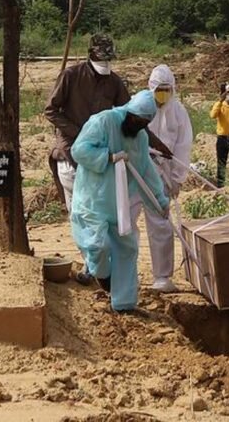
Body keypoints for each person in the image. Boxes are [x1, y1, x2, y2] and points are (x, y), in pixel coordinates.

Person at [69, 90, 169, 313]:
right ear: (129, 113)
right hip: (92, 200)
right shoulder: (103, 121)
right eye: (136, 120)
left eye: (143, 124)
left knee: (127, 248)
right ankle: (103, 277)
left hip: (118, 206)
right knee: (97, 245)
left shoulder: (140, 138)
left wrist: (160, 201)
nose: (137, 126)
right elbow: (78, 150)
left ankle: (124, 303)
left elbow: (146, 172)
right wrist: (108, 157)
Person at [45, 34, 129, 286]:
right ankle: (94, 267)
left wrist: (153, 145)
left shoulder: (113, 82)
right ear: (90, 55)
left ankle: (98, 266)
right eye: (100, 58)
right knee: (80, 215)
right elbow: (51, 110)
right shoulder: (71, 76)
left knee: (102, 215)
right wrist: (79, 133)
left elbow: (129, 114)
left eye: (108, 59)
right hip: (71, 156)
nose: (104, 63)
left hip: (102, 159)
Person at [132, 64, 193, 293]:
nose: (163, 94)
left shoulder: (179, 112)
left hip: (163, 177)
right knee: (126, 223)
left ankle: (162, 277)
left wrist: (177, 178)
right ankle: (127, 275)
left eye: (167, 89)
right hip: (135, 173)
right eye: (159, 89)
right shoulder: (138, 106)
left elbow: (183, 146)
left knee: (161, 224)